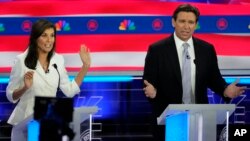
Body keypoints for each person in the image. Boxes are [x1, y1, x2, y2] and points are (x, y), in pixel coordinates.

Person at [143, 4, 246, 141]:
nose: (186, 26)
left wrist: (225, 90)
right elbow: (148, 81)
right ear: (173, 22)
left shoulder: (206, 49)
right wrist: (152, 92)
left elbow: (214, 79)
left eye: (191, 22)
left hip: (199, 118)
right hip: (169, 119)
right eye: (182, 21)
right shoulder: (157, 50)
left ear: (196, 24)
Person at [6, 19, 91, 141]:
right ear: (35, 38)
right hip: (26, 126)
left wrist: (85, 67)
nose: (49, 40)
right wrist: (25, 87)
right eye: (44, 35)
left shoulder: (58, 60)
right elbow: (10, 95)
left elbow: (70, 90)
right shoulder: (21, 60)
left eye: (52, 35)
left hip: (48, 125)